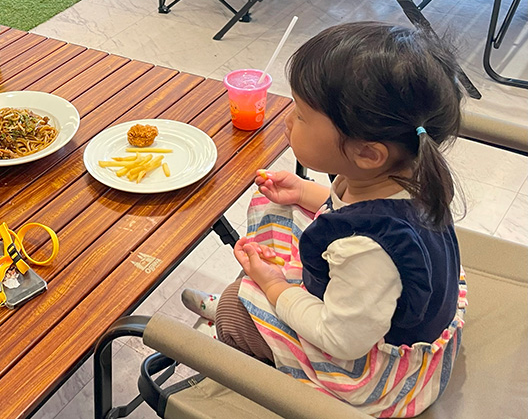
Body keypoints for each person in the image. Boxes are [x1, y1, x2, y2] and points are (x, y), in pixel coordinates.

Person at [182, 22, 467, 417]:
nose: (286, 120)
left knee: (235, 304)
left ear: (368, 153)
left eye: (300, 115)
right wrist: (304, 193)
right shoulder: (406, 172)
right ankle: (266, 300)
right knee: (280, 209)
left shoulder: (367, 253)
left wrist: (273, 286)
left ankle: (252, 337)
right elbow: (350, 212)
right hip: (378, 305)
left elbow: (341, 339)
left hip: (365, 365)